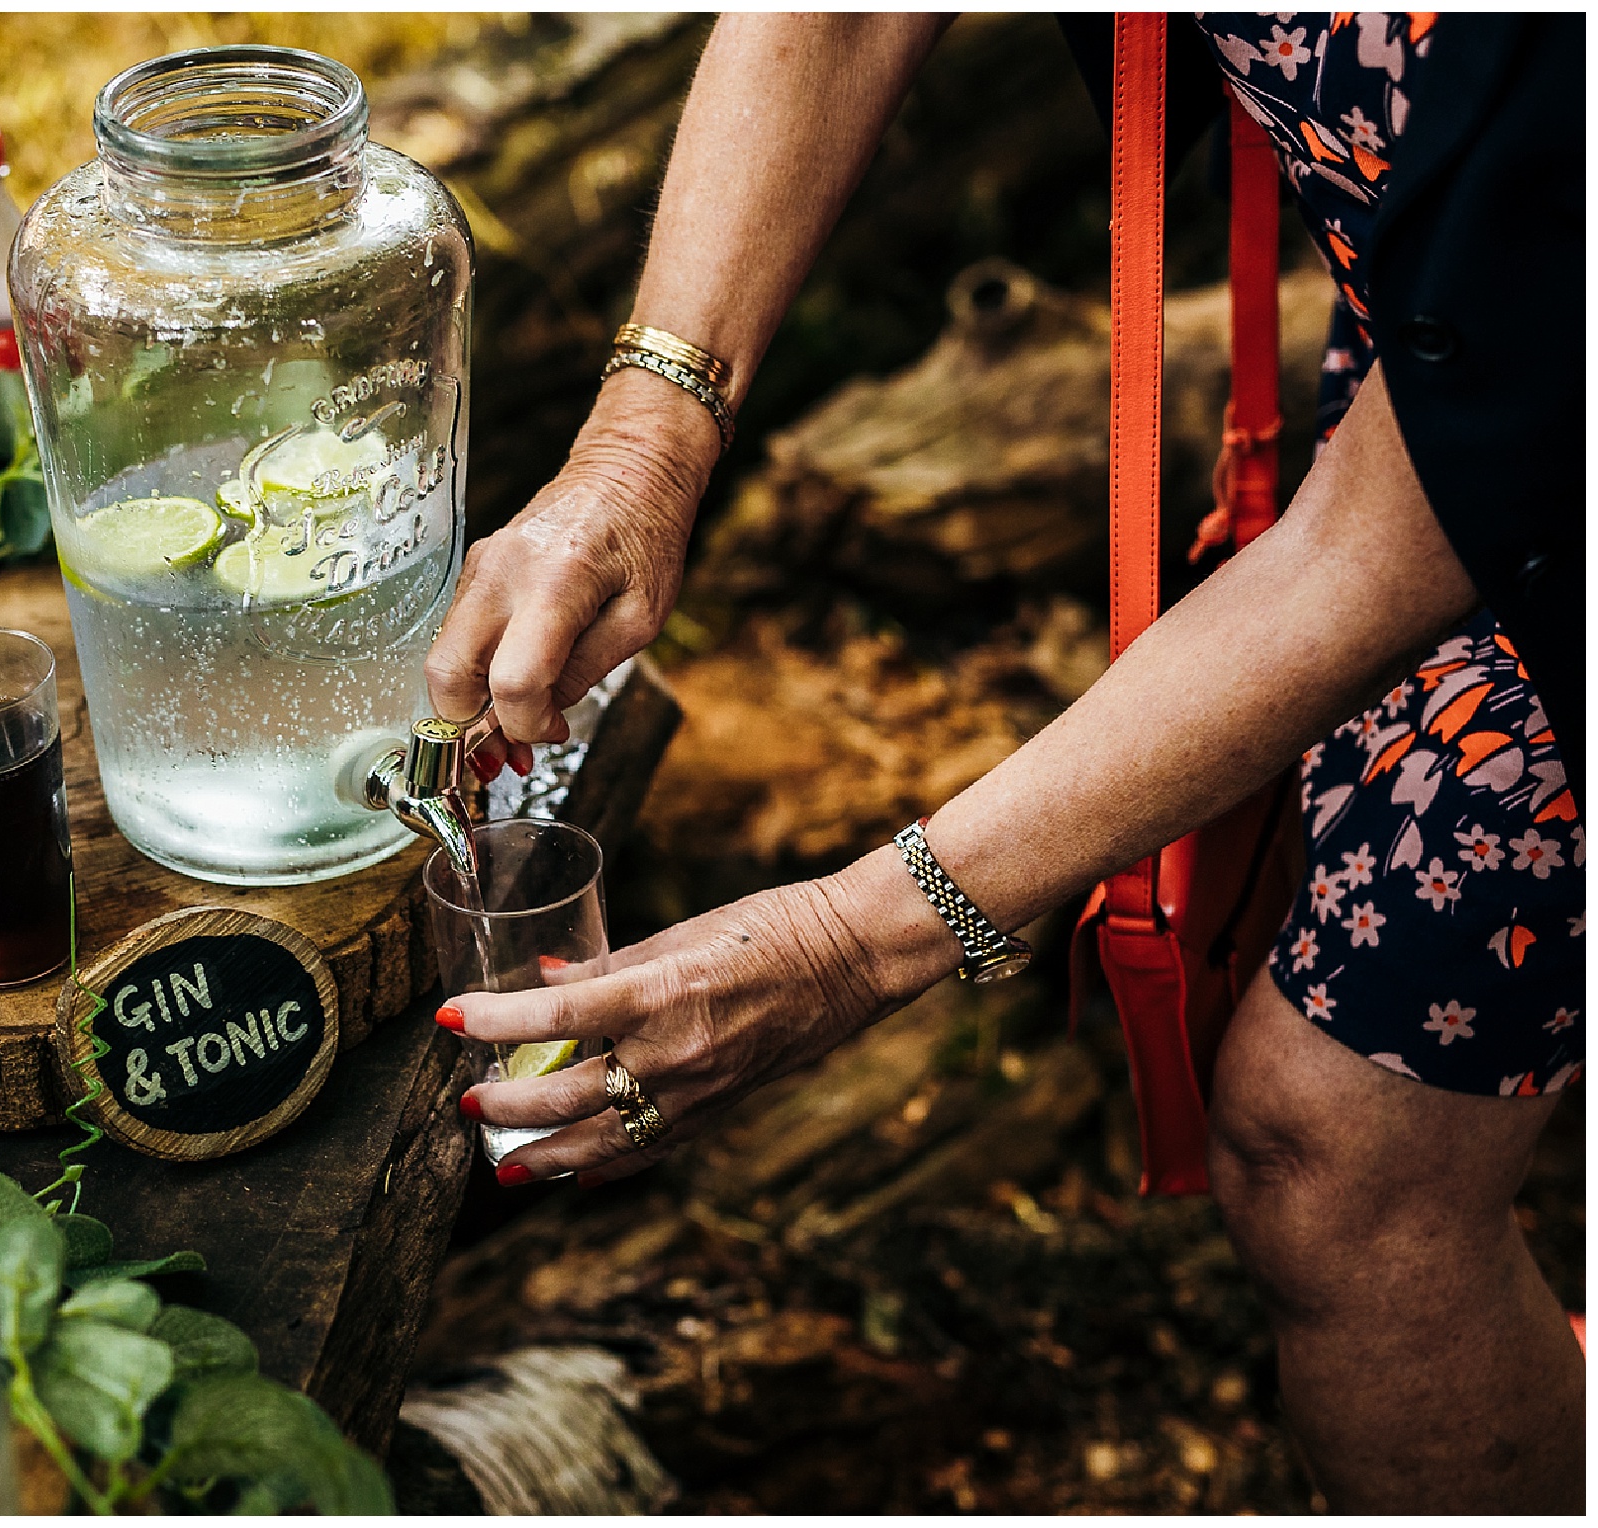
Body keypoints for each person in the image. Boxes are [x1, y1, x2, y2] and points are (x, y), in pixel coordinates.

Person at [428, 13, 1583, 1513]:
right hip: (1444, 370)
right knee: (1333, 1147)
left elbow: (1391, 542)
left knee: (1351, 1144)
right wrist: (639, 445)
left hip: (1509, 451)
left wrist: (855, 942)